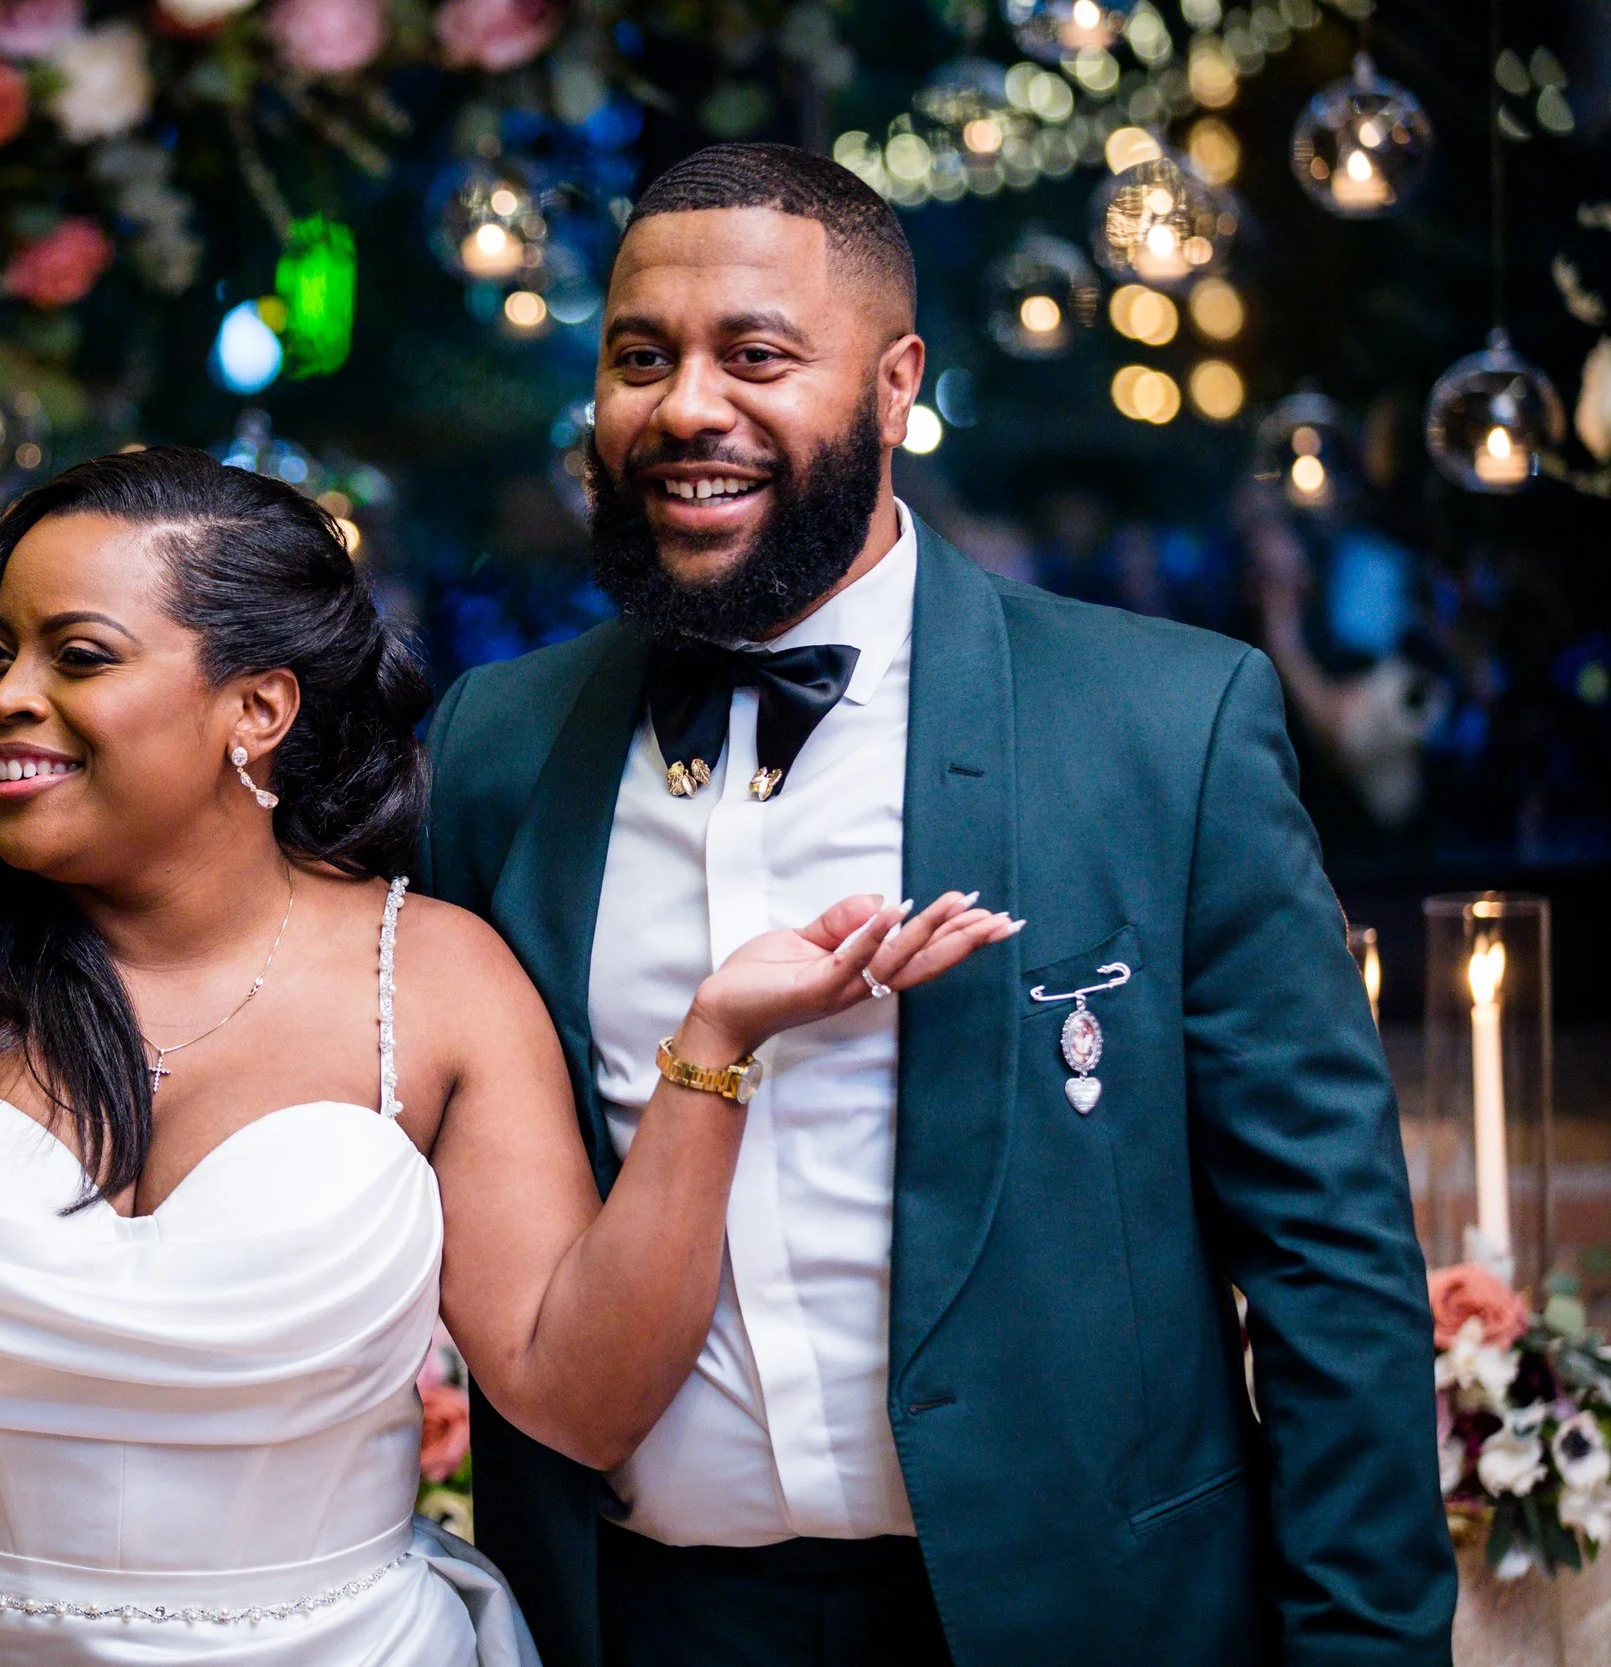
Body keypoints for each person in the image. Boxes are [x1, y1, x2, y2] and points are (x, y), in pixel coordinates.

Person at [0, 445, 1016, 1666]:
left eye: (78, 655)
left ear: (257, 710)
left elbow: (581, 1392)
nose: (6, 696)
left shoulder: (431, 982)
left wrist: (713, 1048)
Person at [416, 143, 1454, 1665]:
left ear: (896, 384)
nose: (688, 405)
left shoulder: (1163, 727)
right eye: (642, 358)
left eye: (756, 354)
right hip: (634, 1619)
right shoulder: (494, 747)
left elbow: (1328, 1260)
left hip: (1076, 1615)